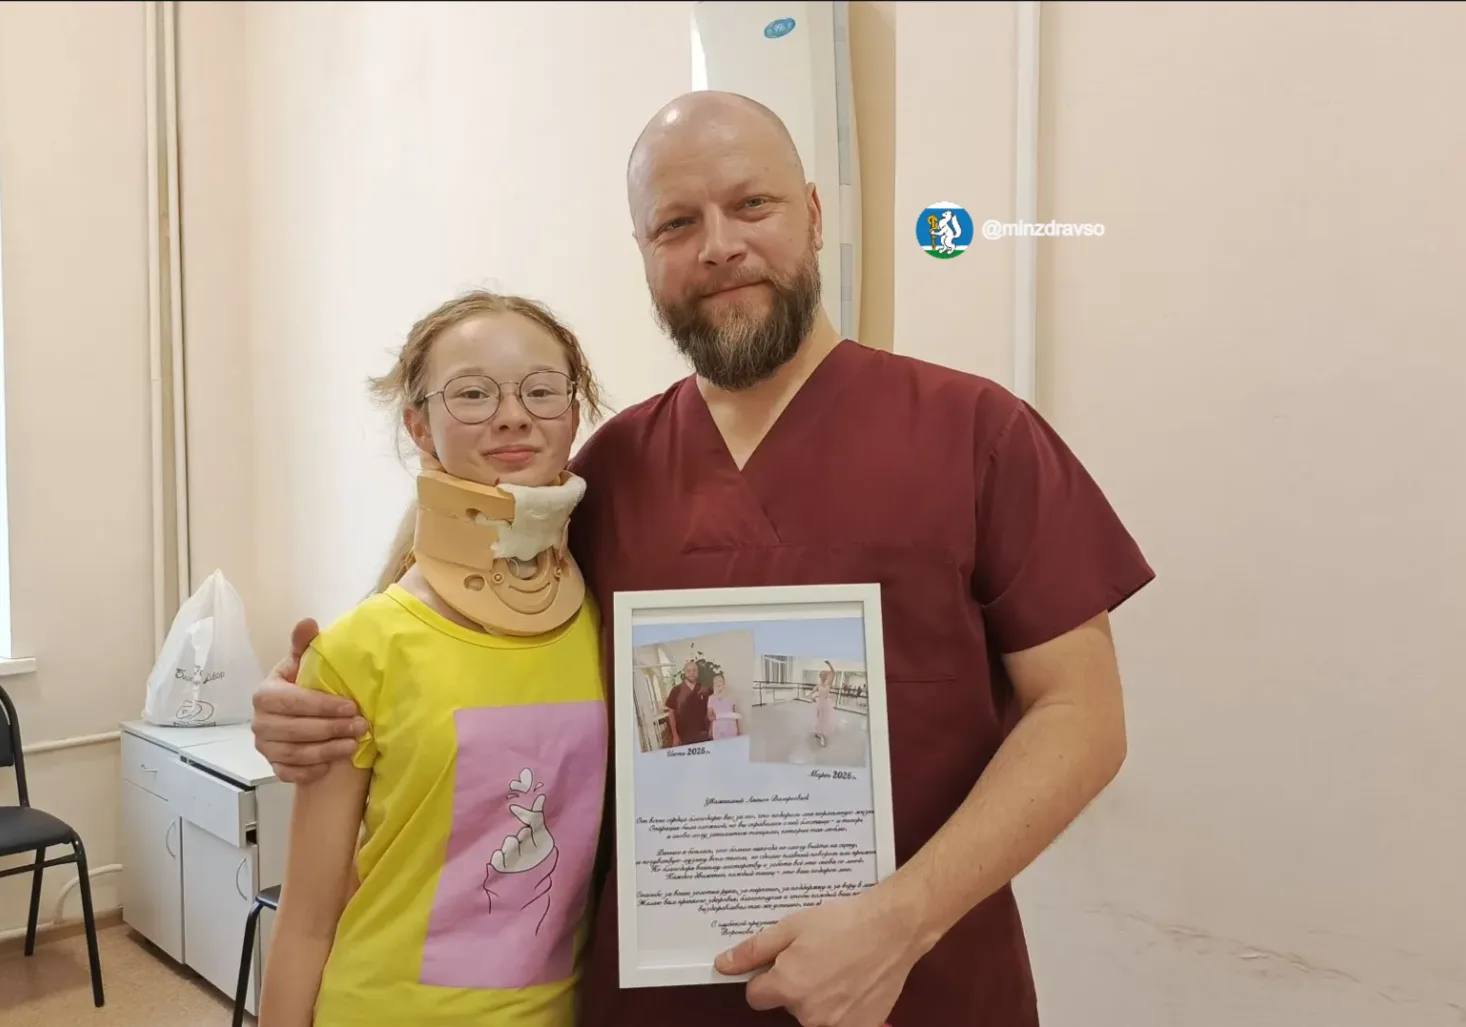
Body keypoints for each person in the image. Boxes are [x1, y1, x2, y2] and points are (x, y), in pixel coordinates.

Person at [250, 90, 1155, 1027]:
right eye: (677, 223)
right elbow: (460, 638)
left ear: (813, 215)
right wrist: (316, 703)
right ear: (645, 252)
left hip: (920, 984)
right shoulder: (609, 473)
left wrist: (902, 919)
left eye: (751, 204)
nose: (719, 245)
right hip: (657, 996)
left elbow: (1082, 715)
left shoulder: (975, 433)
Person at [256, 290, 610, 1027]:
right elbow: (308, 919)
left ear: (574, 414)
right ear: (419, 425)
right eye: (473, 393)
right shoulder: (357, 650)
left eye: (541, 390)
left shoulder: (608, 621)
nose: (513, 415)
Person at [664, 659, 711, 747]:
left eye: (694, 670)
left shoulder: (704, 689)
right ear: (684, 673)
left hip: (703, 734)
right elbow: (671, 714)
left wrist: (712, 729)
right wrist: (675, 736)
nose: (691, 673)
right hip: (684, 736)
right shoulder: (676, 690)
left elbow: (711, 709)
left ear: (697, 672)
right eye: (688, 671)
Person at [707, 672, 741, 741]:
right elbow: (710, 717)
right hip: (717, 729)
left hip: (731, 728)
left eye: (720, 681)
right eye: (716, 682)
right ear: (713, 684)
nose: (718, 683)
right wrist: (711, 729)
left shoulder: (731, 697)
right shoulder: (711, 698)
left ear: (724, 683)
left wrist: (738, 728)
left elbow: (734, 714)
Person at [812, 664, 836, 748]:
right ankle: (819, 733)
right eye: (823, 675)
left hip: (826, 704)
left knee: (824, 720)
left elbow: (833, 672)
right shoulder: (818, 686)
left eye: (826, 675)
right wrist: (813, 697)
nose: (825, 676)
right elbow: (812, 693)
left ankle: (822, 736)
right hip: (819, 703)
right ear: (820, 676)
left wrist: (829, 664)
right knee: (819, 719)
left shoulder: (828, 683)